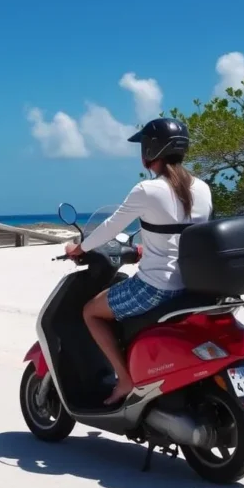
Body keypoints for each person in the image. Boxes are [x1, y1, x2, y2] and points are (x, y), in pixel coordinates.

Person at [63, 117, 212, 405]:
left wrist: (80, 248)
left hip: (156, 288)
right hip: (191, 286)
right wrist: (146, 249)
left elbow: (110, 227)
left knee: (91, 312)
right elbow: (183, 236)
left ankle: (124, 379)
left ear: (150, 151)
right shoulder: (202, 189)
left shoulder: (147, 190)